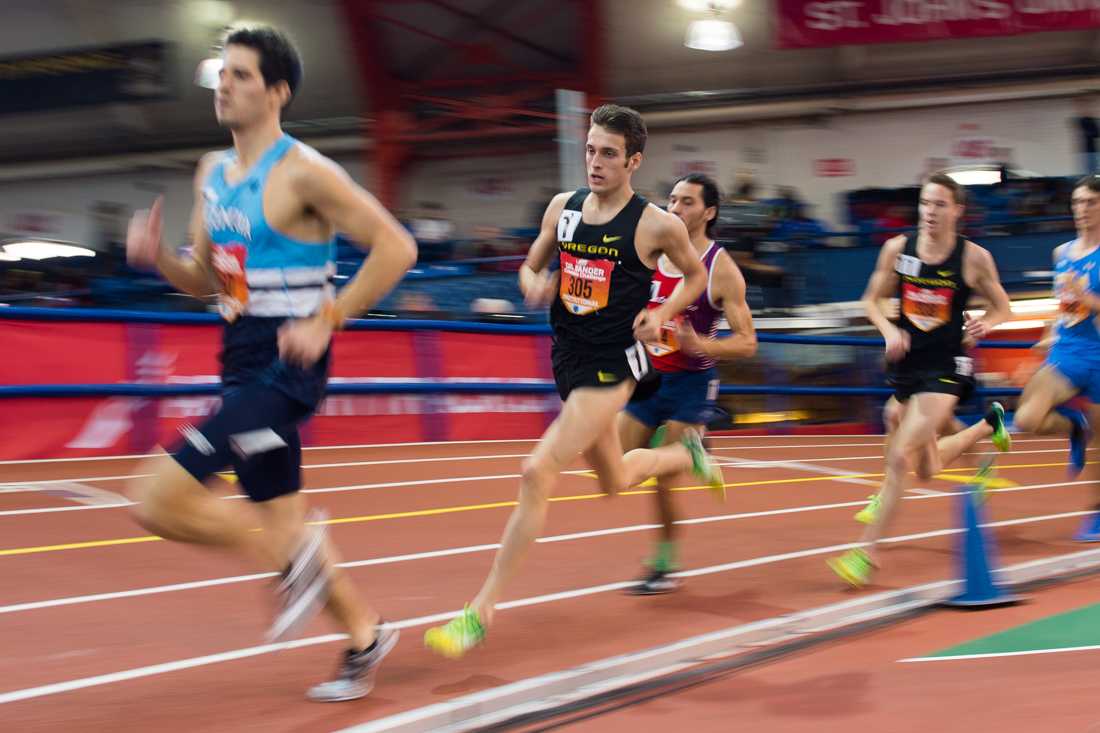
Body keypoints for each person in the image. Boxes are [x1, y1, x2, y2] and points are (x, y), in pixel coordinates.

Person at [124, 26, 417, 701]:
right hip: (239, 352)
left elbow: (396, 248)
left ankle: (290, 563)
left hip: (289, 364)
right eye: (222, 74)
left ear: (278, 91)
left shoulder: (304, 171)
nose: (223, 84)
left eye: (241, 75)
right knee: (283, 517)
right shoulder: (211, 172)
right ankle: (366, 633)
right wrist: (159, 259)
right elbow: (206, 279)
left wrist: (328, 317)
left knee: (155, 497)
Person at [423, 104, 724, 657]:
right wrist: (532, 282)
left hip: (613, 368)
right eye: (590, 149)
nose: (595, 161)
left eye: (608, 153)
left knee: (536, 470)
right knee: (613, 481)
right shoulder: (564, 209)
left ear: (633, 160)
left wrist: (663, 315)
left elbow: (698, 275)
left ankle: (479, 610)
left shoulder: (657, 223)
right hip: (567, 358)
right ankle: (689, 456)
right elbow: (530, 263)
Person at [828, 173, 1013, 588]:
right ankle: (988, 425)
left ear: (957, 211)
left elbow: (1004, 307)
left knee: (899, 456)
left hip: (948, 368)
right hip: (909, 366)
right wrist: (889, 331)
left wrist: (987, 324)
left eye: (940, 205)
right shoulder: (898, 249)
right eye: (925, 204)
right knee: (926, 468)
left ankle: (864, 553)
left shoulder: (973, 257)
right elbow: (871, 300)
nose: (930, 212)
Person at [619, 173, 757, 594]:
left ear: (709, 212)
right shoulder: (650, 253)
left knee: (661, 472)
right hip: (650, 378)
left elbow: (748, 342)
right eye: (672, 200)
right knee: (623, 462)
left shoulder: (721, 269)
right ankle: (698, 451)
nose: (675, 209)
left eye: (687, 203)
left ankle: (664, 563)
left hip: (692, 385)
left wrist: (700, 344)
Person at [1014, 175, 1100, 540]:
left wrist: (1088, 297)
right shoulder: (1061, 254)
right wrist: (1047, 335)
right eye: (1077, 203)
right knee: (1027, 417)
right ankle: (1074, 428)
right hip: (1066, 351)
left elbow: (1084, 300)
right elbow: (1062, 304)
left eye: (1090, 203)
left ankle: (1095, 514)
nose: (1081, 210)